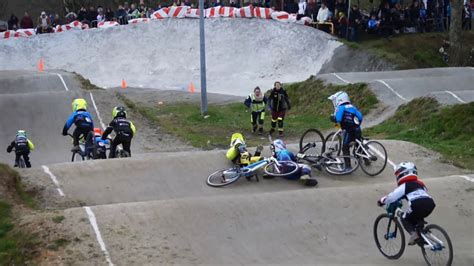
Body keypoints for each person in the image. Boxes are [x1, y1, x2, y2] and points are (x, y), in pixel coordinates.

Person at [377, 162, 436, 245]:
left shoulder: (404, 186)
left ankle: (414, 235)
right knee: (417, 216)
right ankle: (422, 233)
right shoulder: (420, 183)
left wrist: (382, 201)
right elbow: (423, 192)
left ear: (401, 174)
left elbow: (392, 197)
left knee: (404, 218)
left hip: (417, 205)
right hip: (430, 203)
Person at [328, 91, 362, 170]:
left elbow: (338, 118)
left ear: (339, 100)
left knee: (345, 147)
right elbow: (360, 117)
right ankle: (366, 160)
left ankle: (348, 167)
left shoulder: (341, 108)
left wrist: (334, 119)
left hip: (349, 131)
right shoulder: (352, 107)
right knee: (359, 144)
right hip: (357, 129)